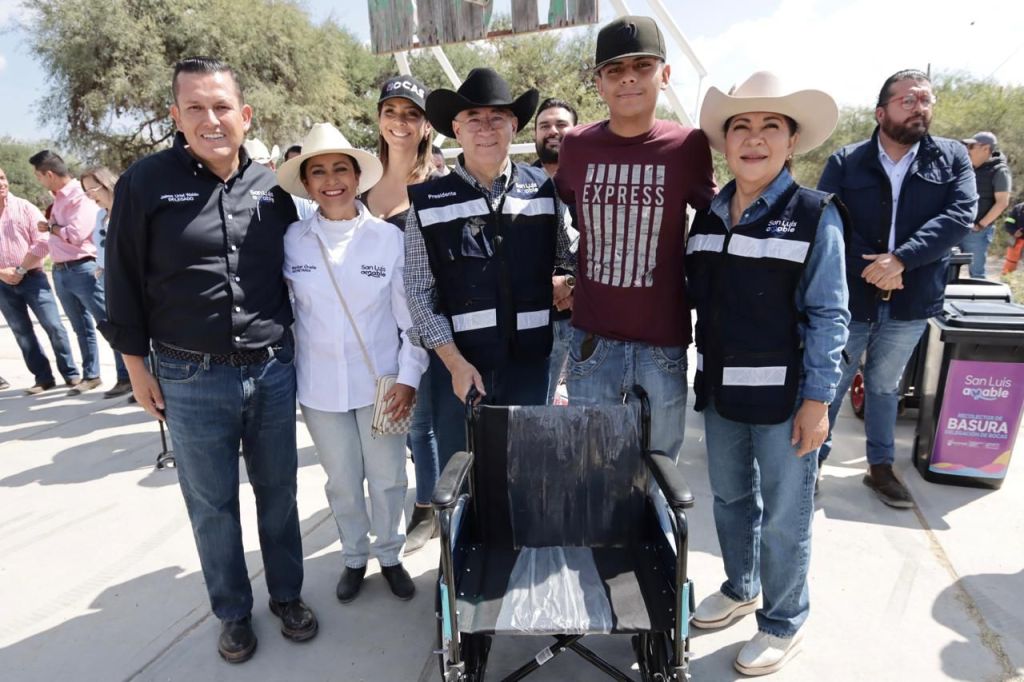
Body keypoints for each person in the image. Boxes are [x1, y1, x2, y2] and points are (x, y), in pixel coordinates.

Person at [102, 56, 317, 663]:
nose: (210, 119)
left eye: (221, 106)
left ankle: (287, 596)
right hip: (188, 377)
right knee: (212, 505)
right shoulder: (144, 183)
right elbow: (120, 279)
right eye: (194, 107)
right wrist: (135, 367)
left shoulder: (276, 189)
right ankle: (232, 611)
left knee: (279, 493)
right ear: (175, 116)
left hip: (273, 370)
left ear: (244, 115)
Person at [686, 71, 848, 676]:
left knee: (785, 516)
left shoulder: (815, 216)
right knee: (730, 500)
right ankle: (741, 586)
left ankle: (783, 620)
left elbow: (831, 315)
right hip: (722, 394)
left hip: (786, 402)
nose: (754, 139)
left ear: (790, 142)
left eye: (769, 128)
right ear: (726, 144)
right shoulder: (707, 216)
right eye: (742, 128)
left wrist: (818, 401)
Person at [554, 15, 716, 460]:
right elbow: (558, 215)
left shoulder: (688, 146)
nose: (628, 76)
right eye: (614, 69)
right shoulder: (576, 145)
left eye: (642, 65)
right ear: (599, 84)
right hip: (591, 342)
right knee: (591, 467)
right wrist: (563, 275)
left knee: (660, 472)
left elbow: (719, 220)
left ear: (665, 75)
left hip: (661, 343)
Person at [279, 122, 427, 604]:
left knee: (387, 479)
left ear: (358, 176)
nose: (330, 180)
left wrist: (409, 378)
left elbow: (412, 320)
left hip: (384, 386)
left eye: (340, 168)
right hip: (319, 389)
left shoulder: (387, 238)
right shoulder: (291, 241)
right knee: (341, 481)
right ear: (306, 183)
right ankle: (352, 557)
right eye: (317, 171)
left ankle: (389, 555)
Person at [817, 69, 977, 508]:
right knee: (830, 384)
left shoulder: (952, 158)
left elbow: (960, 216)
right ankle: (813, 464)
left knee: (885, 387)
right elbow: (828, 222)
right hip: (850, 298)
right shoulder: (846, 161)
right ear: (881, 111)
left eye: (926, 100)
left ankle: (880, 468)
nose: (919, 107)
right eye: (908, 100)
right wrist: (873, 267)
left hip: (911, 299)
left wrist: (902, 259)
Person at [404, 67, 573, 473]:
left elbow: (572, 260)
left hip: (530, 370)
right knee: (464, 485)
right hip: (459, 374)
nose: (486, 129)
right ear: (456, 132)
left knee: (527, 476)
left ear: (514, 126)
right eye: (473, 120)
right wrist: (455, 363)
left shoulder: (546, 191)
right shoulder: (427, 201)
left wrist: (568, 281)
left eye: (496, 118)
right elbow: (417, 292)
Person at [361, 75, 440, 554]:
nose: (400, 122)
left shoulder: (438, 183)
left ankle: (427, 507)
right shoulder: (362, 182)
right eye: (392, 111)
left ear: (426, 124)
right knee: (389, 423)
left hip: (423, 323)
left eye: (411, 113)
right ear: (379, 119)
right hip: (372, 328)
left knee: (422, 421)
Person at [29, 149, 123, 396]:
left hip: (83, 268)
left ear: (48, 174)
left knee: (110, 324)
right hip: (61, 271)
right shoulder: (59, 198)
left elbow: (76, 234)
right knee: (81, 327)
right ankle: (91, 375)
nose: (39, 181)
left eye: (38, 176)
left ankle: (126, 376)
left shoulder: (81, 196)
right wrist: (54, 228)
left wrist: (51, 227)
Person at [0, 165, 80, 394]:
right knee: (22, 332)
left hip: (33, 278)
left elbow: (44, 240)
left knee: (54, 326)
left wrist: (21, 269)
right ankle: (43, 378)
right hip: (2, 284)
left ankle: (71, 374)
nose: (2, 183)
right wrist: (3, 273)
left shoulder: (24, 207)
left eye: (3, 178)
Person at [533, 97, 580, 403]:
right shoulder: (519, 187)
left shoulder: (596, 182)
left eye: (561, 124)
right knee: (536, 416)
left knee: (586, 418)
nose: (553, 131)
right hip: (535, 327)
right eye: (544, 125)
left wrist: (572, 283)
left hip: (586, 323)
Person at [80, 167, 133, 398]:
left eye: (92, 188)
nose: (90, 194)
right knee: (123, 331)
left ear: (107, 183)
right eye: (86, 191)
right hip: (111, 279)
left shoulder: (129, 208)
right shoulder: (101, 215)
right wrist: (101, 267)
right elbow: (100, 245)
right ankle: (131, 380)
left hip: (132, 278)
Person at [959, 131, 1012, 279]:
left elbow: (1002, 203)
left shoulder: (999, 171)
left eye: (971, 146)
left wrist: (980, 225)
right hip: (957, 228)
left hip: (977, 232)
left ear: (985, 149)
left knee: (976, 274)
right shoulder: (967, 167)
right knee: (946, 269)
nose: (967, 150)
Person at [1001, 200, 1024, 274]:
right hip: (1016, 241)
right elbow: (1008, 222)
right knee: (1010, 262)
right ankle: (1007, 280)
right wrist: (1013, 231)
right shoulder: (1018, 208)